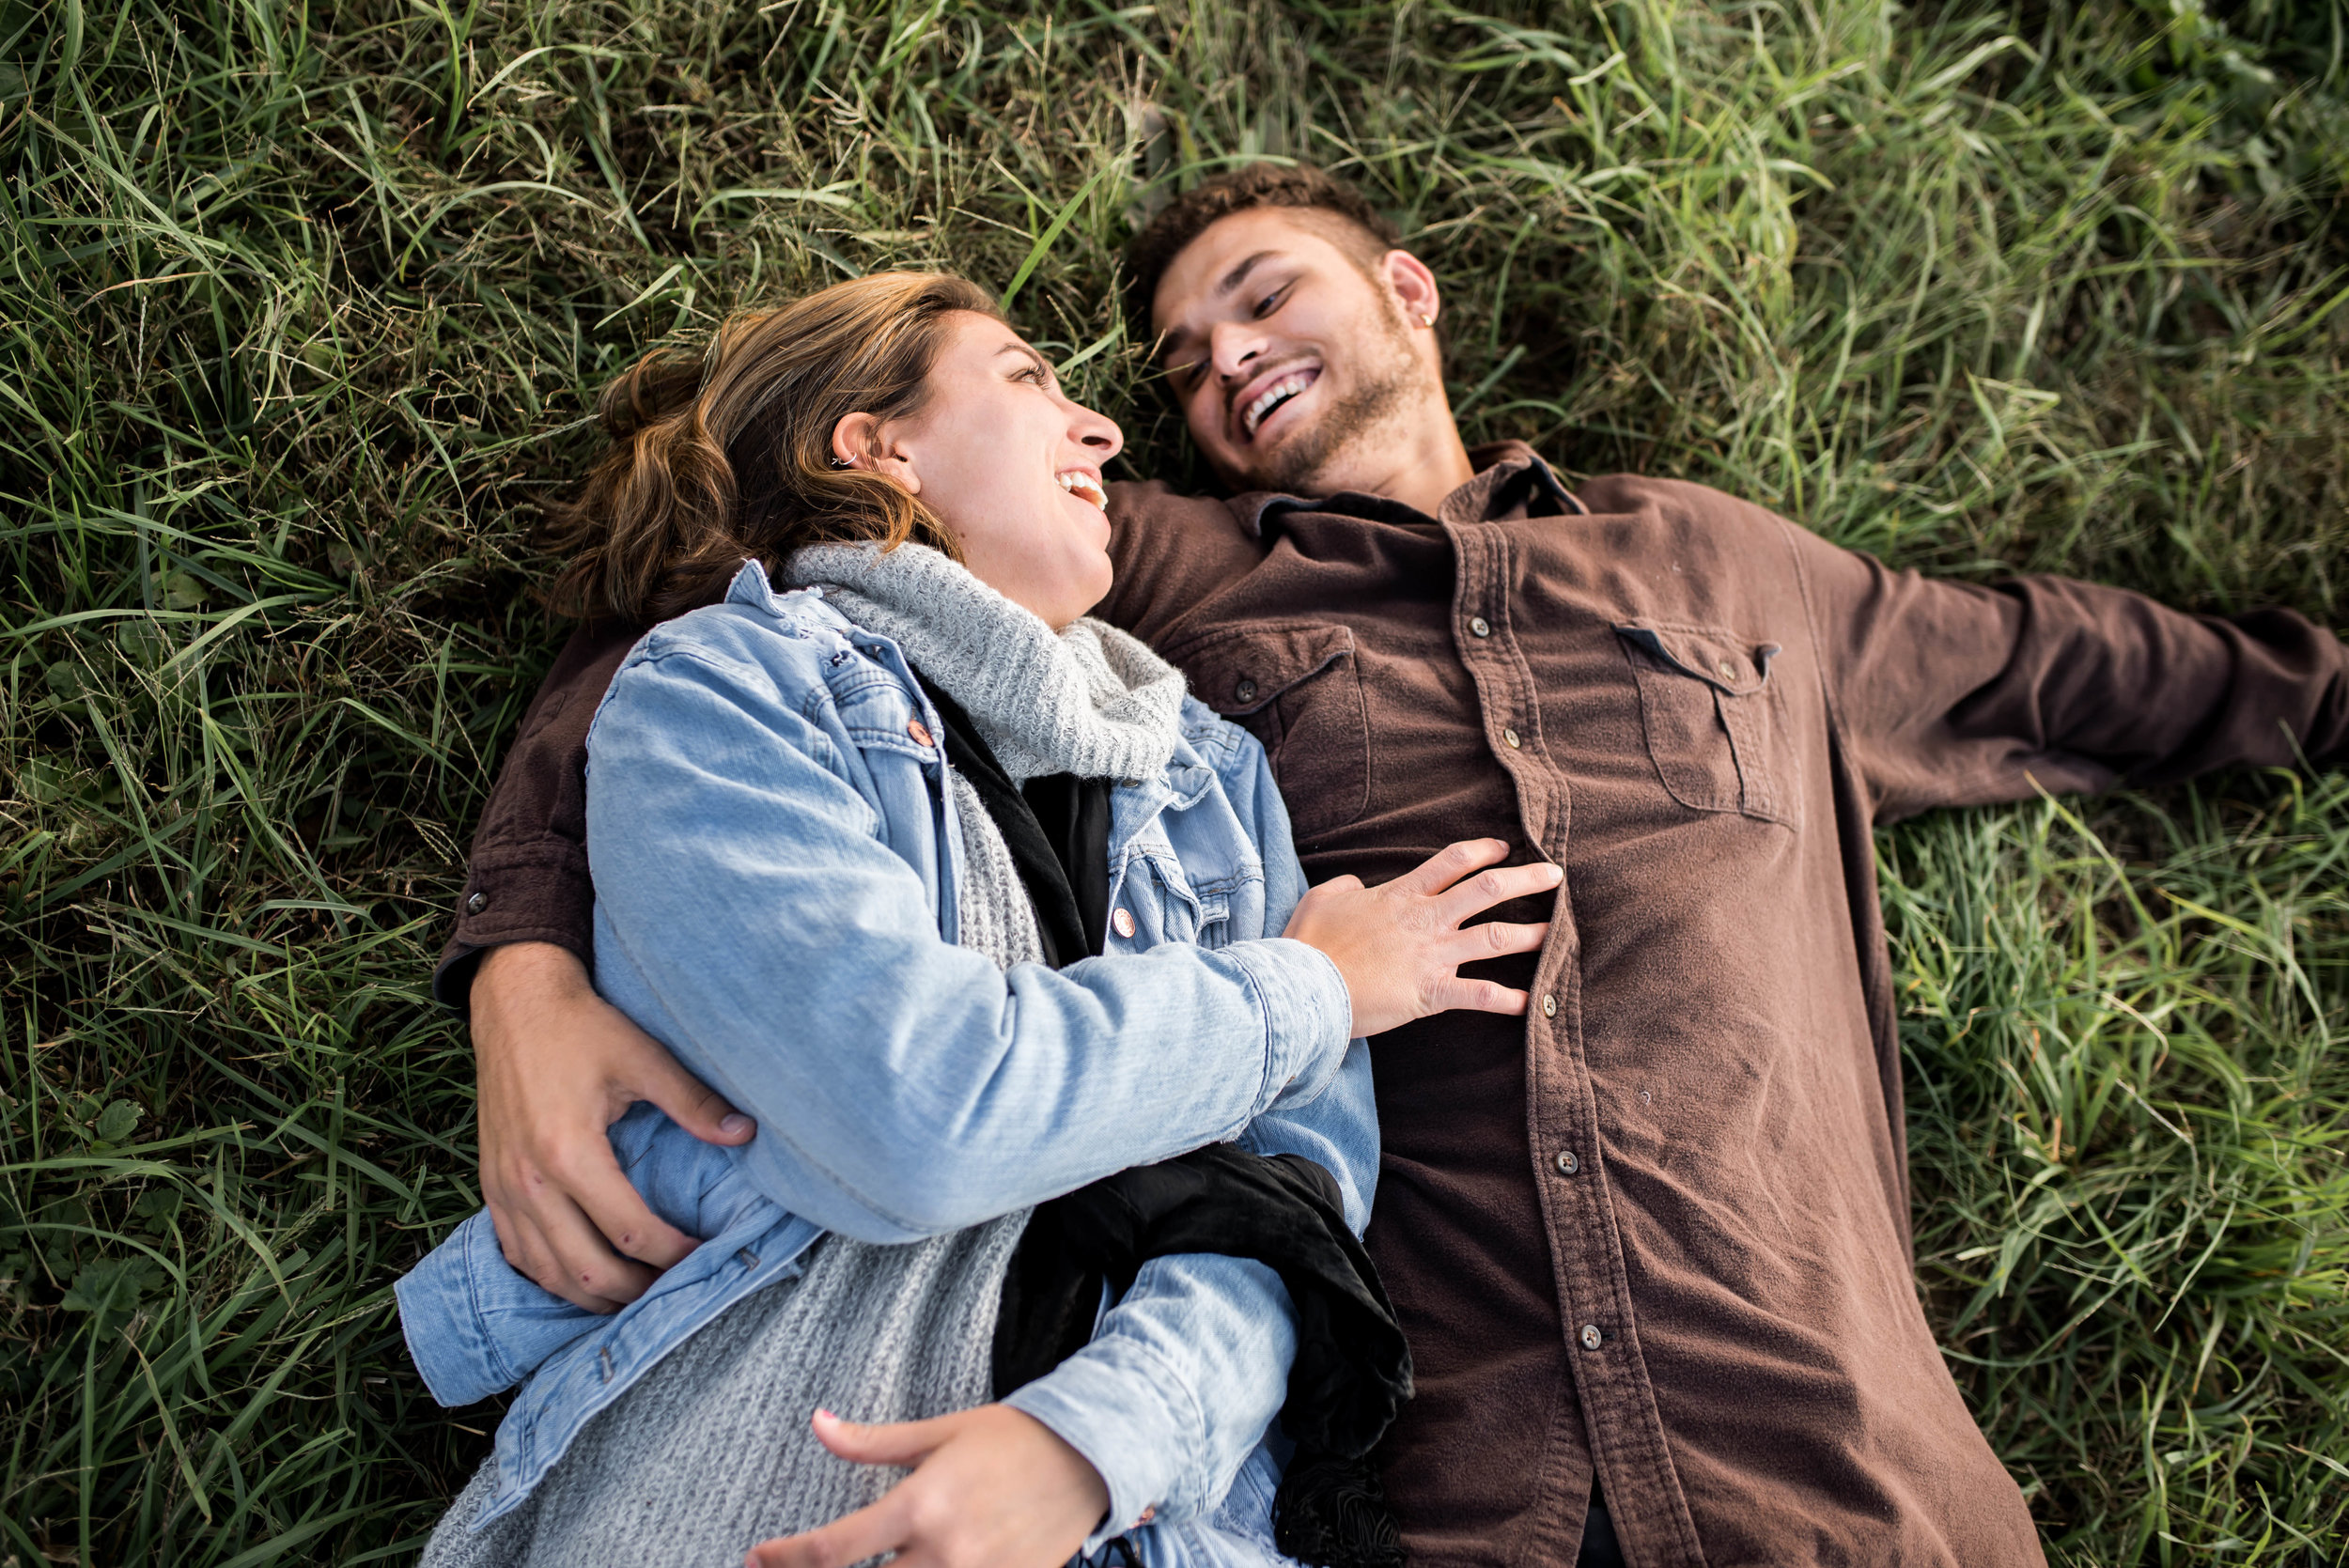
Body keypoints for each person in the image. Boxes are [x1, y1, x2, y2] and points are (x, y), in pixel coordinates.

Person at [439, 167, 2349, 1567]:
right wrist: (520, 969)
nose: (1221, 368)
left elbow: (2091, 667)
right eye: (1183, 362)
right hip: (1442, 1490)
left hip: (1827, 1473)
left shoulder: (1732, 573)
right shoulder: (1173, 582)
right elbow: (731, 600)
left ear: (1406, 291)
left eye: (1263, 301)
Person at [395, 270, 1563, 1567]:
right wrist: (1311, 990)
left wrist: (1098, 1439)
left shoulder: (1211, 780)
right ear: (877, 447)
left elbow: (1297, 1211)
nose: (1104, 428)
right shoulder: (728, 691)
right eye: (1027, 379)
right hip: (758, 1490)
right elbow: (917, 1109)